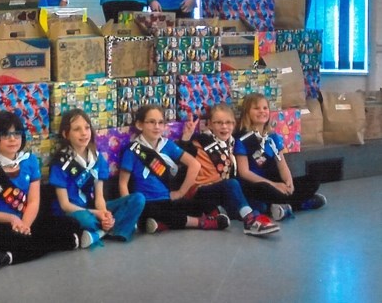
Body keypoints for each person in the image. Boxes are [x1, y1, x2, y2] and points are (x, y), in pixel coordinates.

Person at [0, 111, 82, 269]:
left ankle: (9, 257)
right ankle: (62, 242)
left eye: (17, 133)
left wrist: (24, 225)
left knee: (71, 223)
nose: (13, 139)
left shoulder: (29, 161)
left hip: (25, 219)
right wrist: (11, 219)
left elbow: (34, 201)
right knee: (8, 239)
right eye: (5, 134)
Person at [118, 105, 228, 234]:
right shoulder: (132, 150)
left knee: (194, 203)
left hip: (167, 198)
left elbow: (195, 165)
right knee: (157, 212)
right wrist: (130, 209)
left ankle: (162, 225)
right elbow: (123, 183)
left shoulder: (168, 145)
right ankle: (200, 222)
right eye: (151, 122)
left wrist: (181, 192)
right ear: (139, 125)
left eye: (160, 122)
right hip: (146, 202)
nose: (157, 126)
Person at [179, 105, 280, 236]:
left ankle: (220, 213)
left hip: (222, 192)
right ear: (209, 125)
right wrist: (186, 137)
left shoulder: (232, 142)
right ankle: (250, 222)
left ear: (234, 124)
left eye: (228, 122)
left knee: (260, 206)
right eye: (218, 123)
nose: (224, 126)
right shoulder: (201, 141)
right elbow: (182, 155)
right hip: (202, 192)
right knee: (232, 184)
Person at [50, 109, 145, 247]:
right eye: (77, 129)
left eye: (87, 128)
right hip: (74, 212)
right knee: (85, 220)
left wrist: (105, 213)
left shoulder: (97, 158)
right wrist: (98, 213)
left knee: (138, 199)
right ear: (66, 134)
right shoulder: (61, 163)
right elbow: (65, 205)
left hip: (94, 208)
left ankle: (102, 232)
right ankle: (112, 228)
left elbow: (99, 197)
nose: (84, 133)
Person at [234, 93, 327, 219]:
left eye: (265, 108)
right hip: (257, 185)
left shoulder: (273, 137)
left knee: (313, 180)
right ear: (247, 112)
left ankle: (285, 204)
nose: (262, 111)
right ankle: (299, 203)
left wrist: (289, 183)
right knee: (265, 189)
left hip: (274, 180)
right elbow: (244, 172)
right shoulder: (242, 139)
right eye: (256, 108)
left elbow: (282, 165)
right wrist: (274, 185)